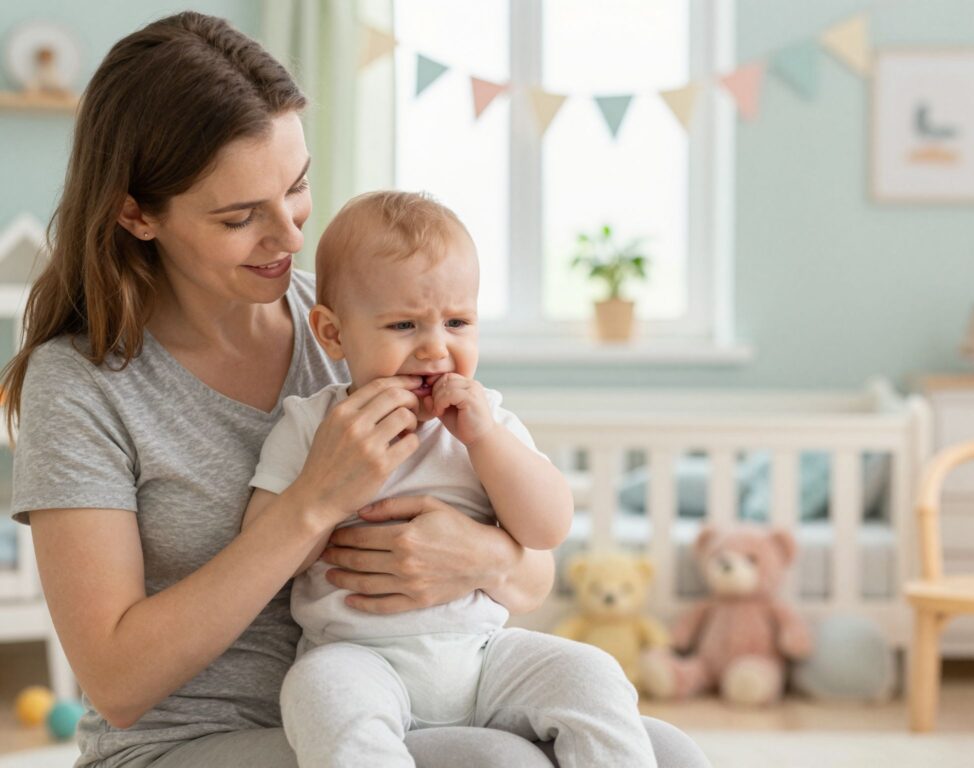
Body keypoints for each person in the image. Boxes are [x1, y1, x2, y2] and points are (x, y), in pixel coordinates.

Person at [3, 11, 709, 768]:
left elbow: (531, 570)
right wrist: (313, 501)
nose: (289, 235)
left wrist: (480, 557)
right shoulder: (81, 384)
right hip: (186, 741)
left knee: (666, 750)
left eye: (297, 187)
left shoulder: (372, 316)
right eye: (241, 217)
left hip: (413, 703)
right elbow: (115, 682)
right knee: (496, 762)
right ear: (136, 213)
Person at [242, 190, 656, 766]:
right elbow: (264, 557)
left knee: (592, 673)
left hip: (485, 658)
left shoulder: (488, 423)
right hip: (359, 657)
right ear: (333, 333)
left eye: (457, 322)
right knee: (318, 691)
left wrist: (485, 441)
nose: (435, 348)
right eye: (404, 324)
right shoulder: (313, 425)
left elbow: (548, 528)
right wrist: (328, 490)